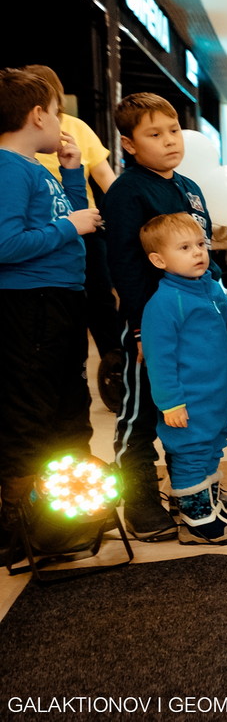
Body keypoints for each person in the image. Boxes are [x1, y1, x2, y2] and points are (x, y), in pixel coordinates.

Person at [102, 92, 227, 541]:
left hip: (196, 315)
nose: (169, 141)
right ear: (130, 144)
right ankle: (138, 496)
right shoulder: (126, 191)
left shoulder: (189, 187)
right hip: (153, 321)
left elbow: (204, 250)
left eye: (173, 130)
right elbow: (123, 264)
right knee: (140, 412)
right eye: (153, 134)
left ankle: (189, 488)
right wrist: (141, 328)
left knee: (193, 408)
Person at [0, 69, 100, 542]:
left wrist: (73, 172)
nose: (62, 122)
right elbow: (6, 244)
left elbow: (79, 219)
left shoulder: (36, 169)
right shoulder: (8, 167)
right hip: (30, 305)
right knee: (31, 408)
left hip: (60, 299)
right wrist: (71, 227)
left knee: (68, 402)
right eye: (58, 113)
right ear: (38, 114)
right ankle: (20, 523)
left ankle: (65, 513)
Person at [138, 214, 227, 545]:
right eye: (185, 248)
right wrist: (169, 401)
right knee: (191, 453)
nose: (198, 252)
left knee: (213, 445)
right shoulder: (164, 303)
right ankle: (196, 520)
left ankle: (211, 506)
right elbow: (159, 359)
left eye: (201, 244)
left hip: (214, 394)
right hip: (187, 400)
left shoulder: (212, 291)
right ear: (159, 260)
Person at [21, 65, 125, 412]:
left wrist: (127, 218)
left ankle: (115, 372)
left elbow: (105, 179)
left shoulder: (76, 128)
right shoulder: (17, 154)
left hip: (83, 227)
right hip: (42, 240)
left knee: (98, 302)